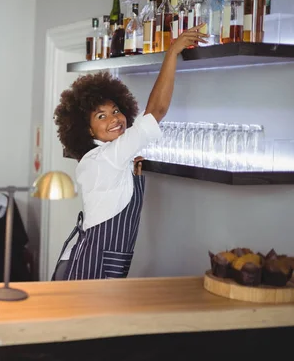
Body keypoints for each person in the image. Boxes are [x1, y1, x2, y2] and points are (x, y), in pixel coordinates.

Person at [51, 26, 207, 281]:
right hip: (91, 268)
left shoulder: (107, 157)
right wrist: (172, 52)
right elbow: (156, 110)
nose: (114, 119)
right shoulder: (105, 157)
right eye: (101, 116)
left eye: (115, 111)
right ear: (86, 128)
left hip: (100, 262)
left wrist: (132, 172)